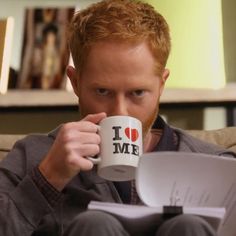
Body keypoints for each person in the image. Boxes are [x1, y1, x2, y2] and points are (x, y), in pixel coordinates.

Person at [0, 0, 235, 235]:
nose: (120, 111)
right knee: (94, 224)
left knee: (189, 225)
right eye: (102, 91)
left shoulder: (216, 165)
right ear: (75, 82)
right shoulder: (33, 157)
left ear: (161, 84)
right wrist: (48, 178)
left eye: (137, 93)